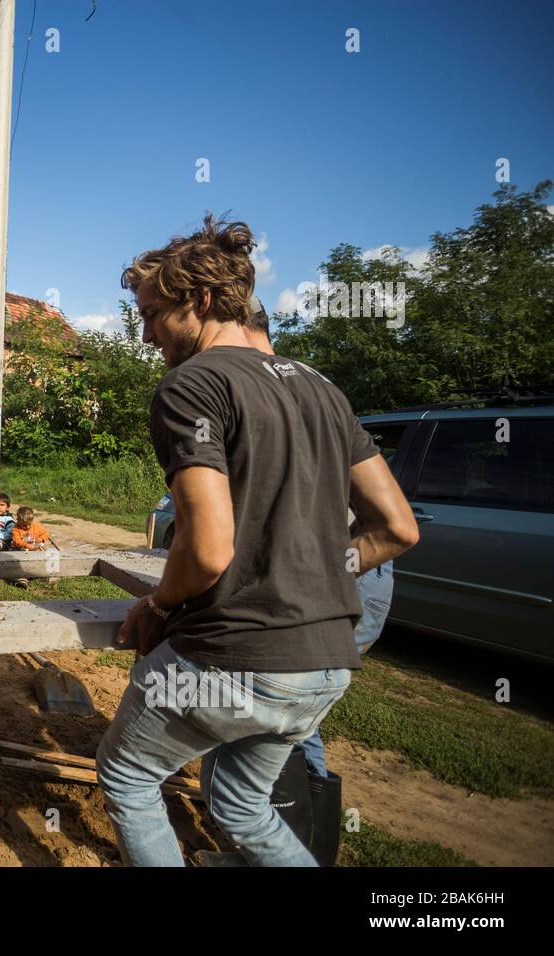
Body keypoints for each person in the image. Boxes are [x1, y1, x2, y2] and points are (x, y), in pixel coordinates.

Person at [94, 214, 419, 866]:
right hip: (325, 663)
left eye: (154, 313)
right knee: (242, 806)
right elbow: (399, 527)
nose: (148, 331)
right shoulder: (324, 389)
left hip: (236, 658)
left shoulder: (192, 384)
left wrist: (157, 607)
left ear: (203, 302)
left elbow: (208, 549)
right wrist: (330, 564)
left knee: (129, 776)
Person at [240, 296, 395, 778]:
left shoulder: (252, 387)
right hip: (364, 568)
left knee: (276, 710)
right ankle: (299, 831)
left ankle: (281, 830)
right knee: (294, 719)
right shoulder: (313, 381)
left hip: (328, 565)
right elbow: (396, 524)